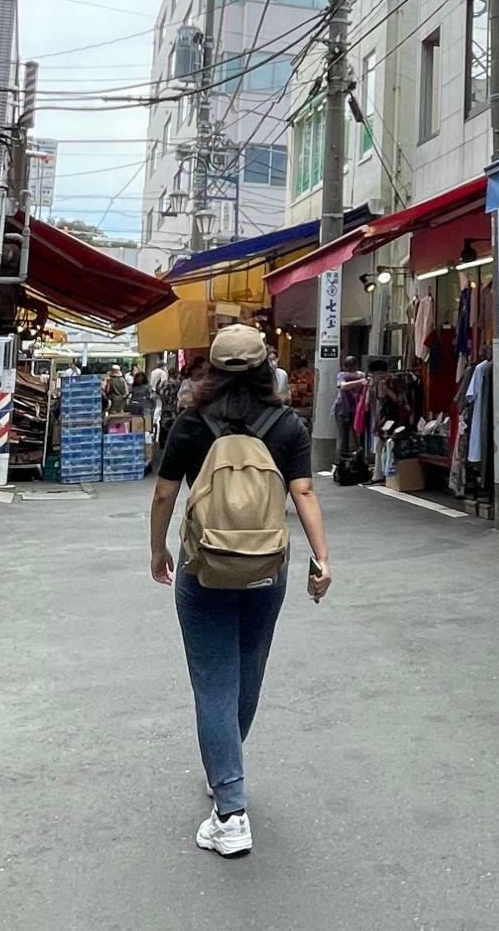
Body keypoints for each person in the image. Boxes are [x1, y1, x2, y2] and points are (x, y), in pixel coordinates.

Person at [150, 324, 331, 859]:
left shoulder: (190, 423)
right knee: (247, 670)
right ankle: (225, 771)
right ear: (262, 368)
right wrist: (323, 560)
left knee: (213, 683)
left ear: (209, 368)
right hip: (266, 567)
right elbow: (304, 492)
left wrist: (157, 548)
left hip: (202, 565)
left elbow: (164, 494)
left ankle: (230, 812)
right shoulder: (285, 425)